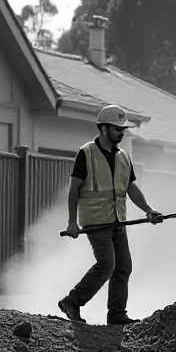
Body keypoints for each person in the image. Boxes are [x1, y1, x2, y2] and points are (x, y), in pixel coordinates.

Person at [58, 104, 163, 326]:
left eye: (123, 128)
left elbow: (131, 189)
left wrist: (149, 211)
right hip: (96, 221)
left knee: (123, 266)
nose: (122, 133)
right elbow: (74, 189)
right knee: (107, 264)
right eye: (117, 129)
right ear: (104, 128)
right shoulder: (86, 153)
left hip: (118, 220)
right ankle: (72, 301)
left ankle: (116, 314)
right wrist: (71, 222)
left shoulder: (124, 157)